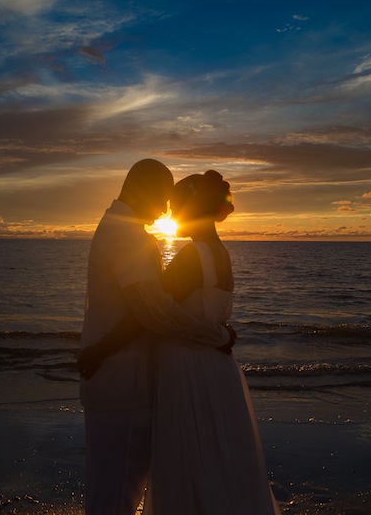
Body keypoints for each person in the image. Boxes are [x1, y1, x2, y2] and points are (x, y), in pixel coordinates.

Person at [83, 170, 280, 515]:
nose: (170, 214)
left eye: (176, 207)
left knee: (189, 467)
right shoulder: (221, 254)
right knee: (218, 464)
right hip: (218, 373)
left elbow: (151, 316)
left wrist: (100, 350)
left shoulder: (191, 257)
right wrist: (220, 335)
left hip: (187, 372)